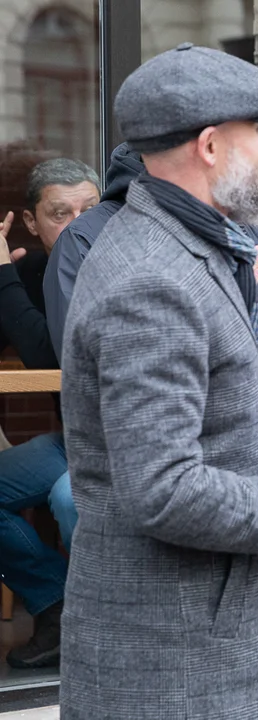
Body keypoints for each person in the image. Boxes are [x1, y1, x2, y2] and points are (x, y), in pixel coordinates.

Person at [59, 43, 258, 719]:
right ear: (209, 145)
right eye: (257, 131)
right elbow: (164, 489)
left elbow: (210, 434)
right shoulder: (153, 278)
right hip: (181, 665)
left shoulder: (190, 250)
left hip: (212, 650)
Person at [42, 139, 258, 557]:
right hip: (135, 466)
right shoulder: (88, 240)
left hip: (242, 464)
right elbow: (97, 376)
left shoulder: (241, 232)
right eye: (247, 131)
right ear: (202, 148)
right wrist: (236, 320)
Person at [0, 157, 100, 669]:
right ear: (33, 222)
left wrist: (2, 277)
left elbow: (47, 353)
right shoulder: (33, 269)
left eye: (90, 209)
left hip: (114, 446)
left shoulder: (115, 266)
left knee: (69, 496)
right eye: (62, 213)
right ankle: (56, 602)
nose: (80, 224)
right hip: (71, 442)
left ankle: (101, 626)